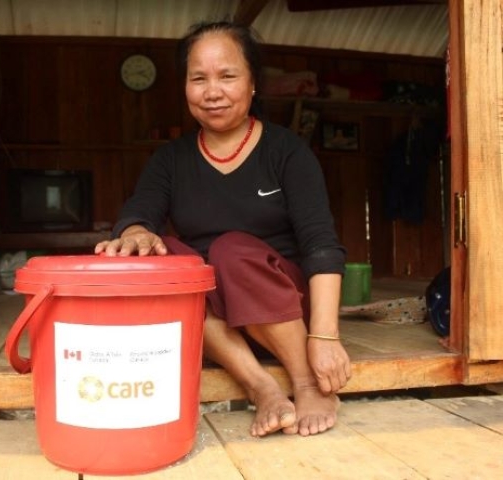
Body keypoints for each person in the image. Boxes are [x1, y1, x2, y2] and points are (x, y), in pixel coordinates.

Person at [95, 21, 351, 437]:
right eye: (199, 78)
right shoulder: (171, 159)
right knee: (169, 256)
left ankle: (305, 382)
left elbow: (321, 245)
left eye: (227, 76)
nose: (212, 91)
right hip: (215, 327)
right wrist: (137, 231)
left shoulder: (287, 151)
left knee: (230, 250)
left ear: (252, 84)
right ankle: (261, 386)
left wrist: (324, 335)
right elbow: (140, 210)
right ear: (185, 87)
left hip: (283, 317)